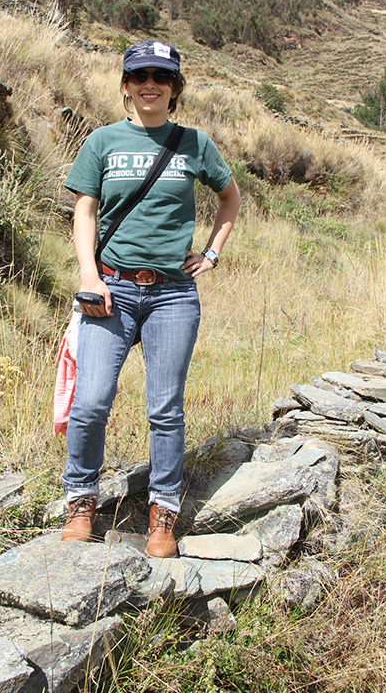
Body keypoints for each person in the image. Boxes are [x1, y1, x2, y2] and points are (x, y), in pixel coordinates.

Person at [60, 39, 240, 557]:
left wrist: (211, 252)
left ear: (175, 88)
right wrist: (89, 275)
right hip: (110, 288)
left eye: (161, 77)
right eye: (140, 76)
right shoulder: (102, 142)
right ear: (126, 85)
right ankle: (80, 499)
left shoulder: (194, 143)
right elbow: (85, 212)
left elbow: (229, 198)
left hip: (173, 295)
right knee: (91, 400)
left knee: (165, 408)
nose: (150, 85)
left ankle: (164, 512)